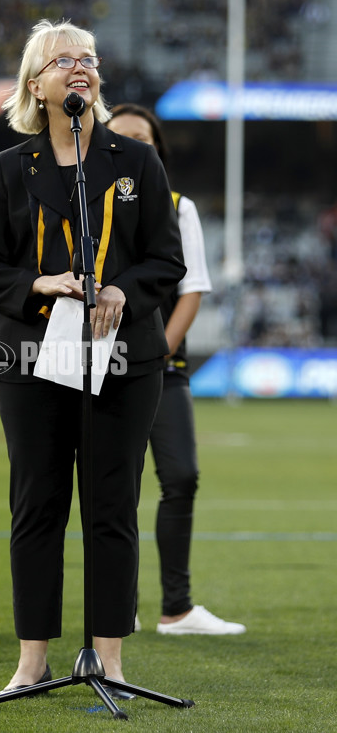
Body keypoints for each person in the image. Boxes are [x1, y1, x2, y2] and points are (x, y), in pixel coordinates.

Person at [0, 20, 186, 697]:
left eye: (87, 58)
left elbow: (165, 261)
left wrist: (121, 287)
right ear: (38, 84)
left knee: (112, 507)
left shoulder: (137, 160)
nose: (80, 67)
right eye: (64, 60)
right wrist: (36, 284)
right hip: (30, 355)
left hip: (126, 358)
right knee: (37, 504)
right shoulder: (8, 168)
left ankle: (110, 661)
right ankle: (32, 662)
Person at [106, 104, 246, 636]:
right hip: (98, 366)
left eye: (143, 138)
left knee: (181, 476)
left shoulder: (176, 206)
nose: (134, 145)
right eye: (121, 136)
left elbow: (191, 290)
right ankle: (120, 609)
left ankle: (178, 609)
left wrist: (158, 351)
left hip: (160, 367)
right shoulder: (83, 202)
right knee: (115, 488)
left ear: (157, 151)